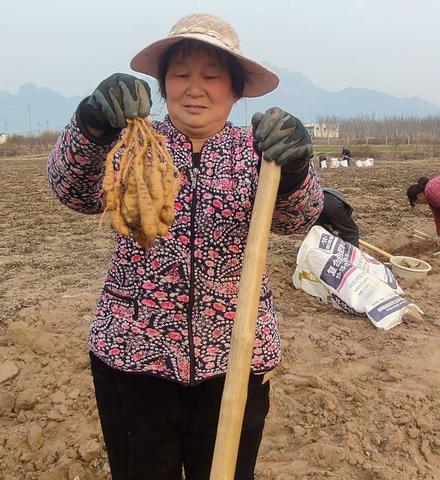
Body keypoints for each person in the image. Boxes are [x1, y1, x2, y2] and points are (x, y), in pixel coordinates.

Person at [47, 13, 322, 480]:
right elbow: (72, 190)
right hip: (133, 359)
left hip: (234, 364)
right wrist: (90, 126)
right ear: (163, 85)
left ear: (235, 91)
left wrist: (294, 169)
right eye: (181, 75)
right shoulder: (134, 146)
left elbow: (298, 219)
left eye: (212, 76)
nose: (196, 88)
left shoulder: (257, 155)